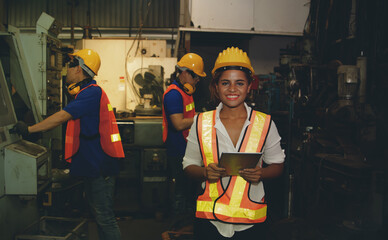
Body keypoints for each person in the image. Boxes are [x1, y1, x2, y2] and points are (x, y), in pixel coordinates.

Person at [12, 49, 124, 240]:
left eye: (70, 66)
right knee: (100, 217)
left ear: (79, 69)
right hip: (94, 167)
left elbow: (62, 116)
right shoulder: (87, 93)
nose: (66, 70)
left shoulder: (91, 93)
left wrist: (30, 130)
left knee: (105, 218)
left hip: (100, 169)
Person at [183, 47, 285, 239]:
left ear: (249, 87)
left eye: (239, 83)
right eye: (225, 83)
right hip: (209, 222)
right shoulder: (201, 122)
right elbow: (188, 165)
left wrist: (261, 173)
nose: (232, 89)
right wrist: (205, 172)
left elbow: (278, 165)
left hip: (251, 224)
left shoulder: (265, 123)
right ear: (216, 87)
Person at [162, 53, 206, 218]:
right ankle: (178, 226)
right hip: (178, 150)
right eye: (196, 76)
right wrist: (200, 117)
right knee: (181, 190)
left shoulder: (186, 92)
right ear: (185, 72)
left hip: (187, 148)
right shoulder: (173, 94)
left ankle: (186, 225)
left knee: (188, 191)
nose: (197, 80)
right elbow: (179, 124)